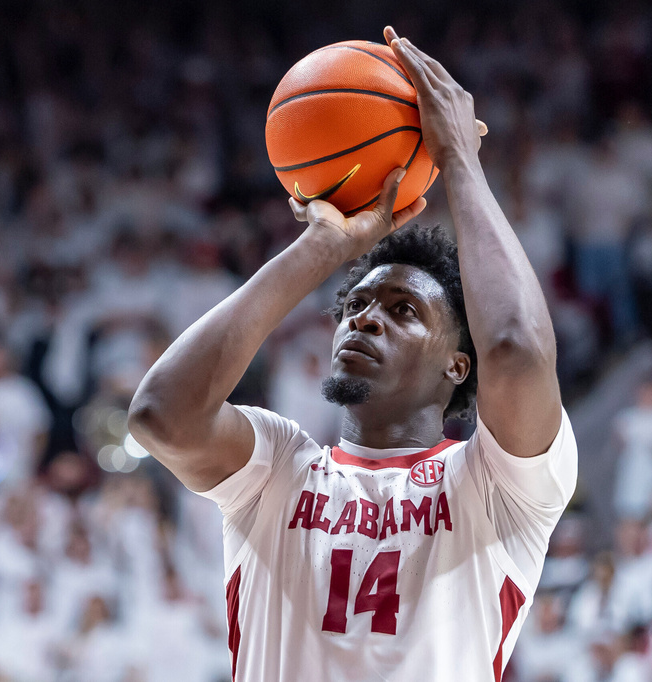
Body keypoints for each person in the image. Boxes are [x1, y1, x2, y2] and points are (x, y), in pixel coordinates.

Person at [128, 27, 577, 682]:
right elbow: (160, 417)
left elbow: (514, 349)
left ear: (457, 365)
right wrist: (323, 248)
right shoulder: (278, 467)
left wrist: (459, 160)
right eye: (355, 307)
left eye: (403, 312)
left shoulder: (497, 487)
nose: (365, 319)